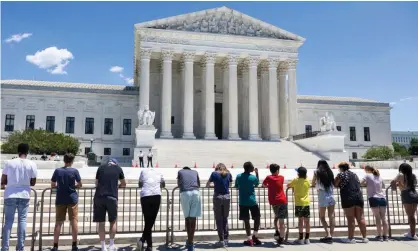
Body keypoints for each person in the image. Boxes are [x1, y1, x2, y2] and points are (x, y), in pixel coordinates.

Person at [1, 143, 37, 251]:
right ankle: (20, 247)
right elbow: (33, 182)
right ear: (27, 152)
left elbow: (3, 180)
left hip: (10, 194)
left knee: (8, 222)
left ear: (18, 151)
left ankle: (5, 247)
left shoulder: (9, 163)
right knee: (22, 221)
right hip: (24, 194)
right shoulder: (32, 164)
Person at [50, 153, 82, 251]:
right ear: (72, 161)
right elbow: (80, 184)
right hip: (72, 198)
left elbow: (52, 184)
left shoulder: (58, 171)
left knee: (59, 222)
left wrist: (59, 187)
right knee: (74, 221)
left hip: (60, 198)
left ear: (64, 160)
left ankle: (55, 246)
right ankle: (74, 245)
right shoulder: (74, 171)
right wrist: (74, 187)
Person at [94, 158, 126, 251]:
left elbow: (96, 183)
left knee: (101, 222)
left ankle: (103, 246)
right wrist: (117, 186)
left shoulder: (100, 168)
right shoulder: (118, 168)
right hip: (112, 197)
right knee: (113, 221)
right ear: (115, 163)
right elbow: (123, 184)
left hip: (99, 197)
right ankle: (111, 245)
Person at [334, 162, 368, 244]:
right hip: (358, 197)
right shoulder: (354, 174)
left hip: (348, 197)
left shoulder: (341, 174)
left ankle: (351, 238)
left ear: (341, 168)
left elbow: (335, 183)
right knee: (360, 218)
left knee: (350, 219)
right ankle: (365, 238)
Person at [137, 168, 165, 251]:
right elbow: (163, 184)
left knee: (147, 221)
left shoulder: (143, 171)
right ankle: (148, 245)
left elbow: (140, 184)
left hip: (145, 195)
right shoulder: (160, 172)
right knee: (151, 221)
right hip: (156, 195)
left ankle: (145, 241)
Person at [206, 163, 233, 247]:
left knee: (218, 219)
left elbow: (207, 184)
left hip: (218, 197)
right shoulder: (229, 173)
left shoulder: (214, 174)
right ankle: (226, 238)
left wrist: (213, 186)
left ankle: (221, 239)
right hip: (227, 197)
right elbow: (230, 185)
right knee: (225, 218)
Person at [235, 161, 261, 246]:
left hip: (243, 201)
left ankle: (249, 239)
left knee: (246, 221)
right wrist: (257, 173)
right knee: (257, 218)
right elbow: (257, 183)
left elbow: (236, 185)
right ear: (250, 168)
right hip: (252, 201)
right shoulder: (253, 177)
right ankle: (255, 235)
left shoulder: (239, 176)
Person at [391, 163, 418, 240]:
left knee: (410, 216)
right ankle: (411, 232)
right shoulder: (413, 176)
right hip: (414, 194)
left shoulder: (400, 175)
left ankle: (412, 234)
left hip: (406, 195)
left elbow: (393, 182)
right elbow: (412, 185)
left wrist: (396, 186)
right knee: (412, 215)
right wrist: (401, 184)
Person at [361, 165, 388, 241]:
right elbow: (383, 186)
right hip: (382, 198)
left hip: (373, 197)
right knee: (383, 217)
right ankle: (385, 236)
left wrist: (367, 185)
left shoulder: (367, 175)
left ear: (367, 170)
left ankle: (380, 236)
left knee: (377, 217)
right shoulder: (379, 176)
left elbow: (361, 183)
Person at [262, 164, 287, 246]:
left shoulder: (268, 178)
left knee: (276, 218)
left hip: (274, 202)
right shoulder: (282, 177)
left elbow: (263, 184)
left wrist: (269, 186)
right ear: (277, 171)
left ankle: (277, 232)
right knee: (281, 221)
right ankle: (281, 238)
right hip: (282, 201)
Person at [177, 166, 201, 251]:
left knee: (187, 218)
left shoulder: (180, 172)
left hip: (185, 193)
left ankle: (189, 242)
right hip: (195, 192)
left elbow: (179, 184)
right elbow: (198, 184)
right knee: (193, 219)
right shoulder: (195, 171)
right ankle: (190, 242)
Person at [311, 160, 335, 243]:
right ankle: (331, 235)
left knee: (322, 217)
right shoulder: (330, 172)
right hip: (331, 195)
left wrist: (315, 185)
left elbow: (313, 183)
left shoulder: (316, 172)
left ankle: (328, 234)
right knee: (331, 216)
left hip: (322, 195)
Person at [288, 166, 311, 245]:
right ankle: (307, 238)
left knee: (300, 221)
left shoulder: (296, 180)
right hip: (306, 203)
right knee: (307, 221)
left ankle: (300, 238)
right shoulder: (307, 180)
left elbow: (288, 185)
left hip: (299, 203)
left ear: (298, 173)